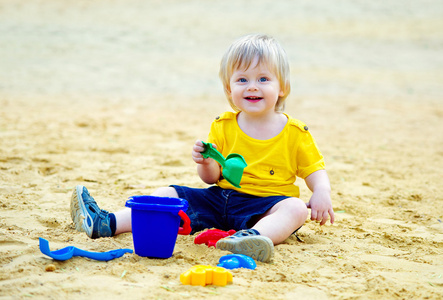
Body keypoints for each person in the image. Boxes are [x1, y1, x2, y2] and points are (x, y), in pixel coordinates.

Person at [71, 34, 334, 263]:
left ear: (283, 88)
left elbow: (314, 170)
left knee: (296, 209)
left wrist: (321, 191)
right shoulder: (223, 125)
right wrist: (205, 162)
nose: (252, 86)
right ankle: (108, 223)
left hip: (264, 207)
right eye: (242, 80)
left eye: (263, 78)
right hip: (220, 199)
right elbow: (211, 178)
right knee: (167, 193)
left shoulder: (295, 133)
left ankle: (252, 239)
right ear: (229, 90)